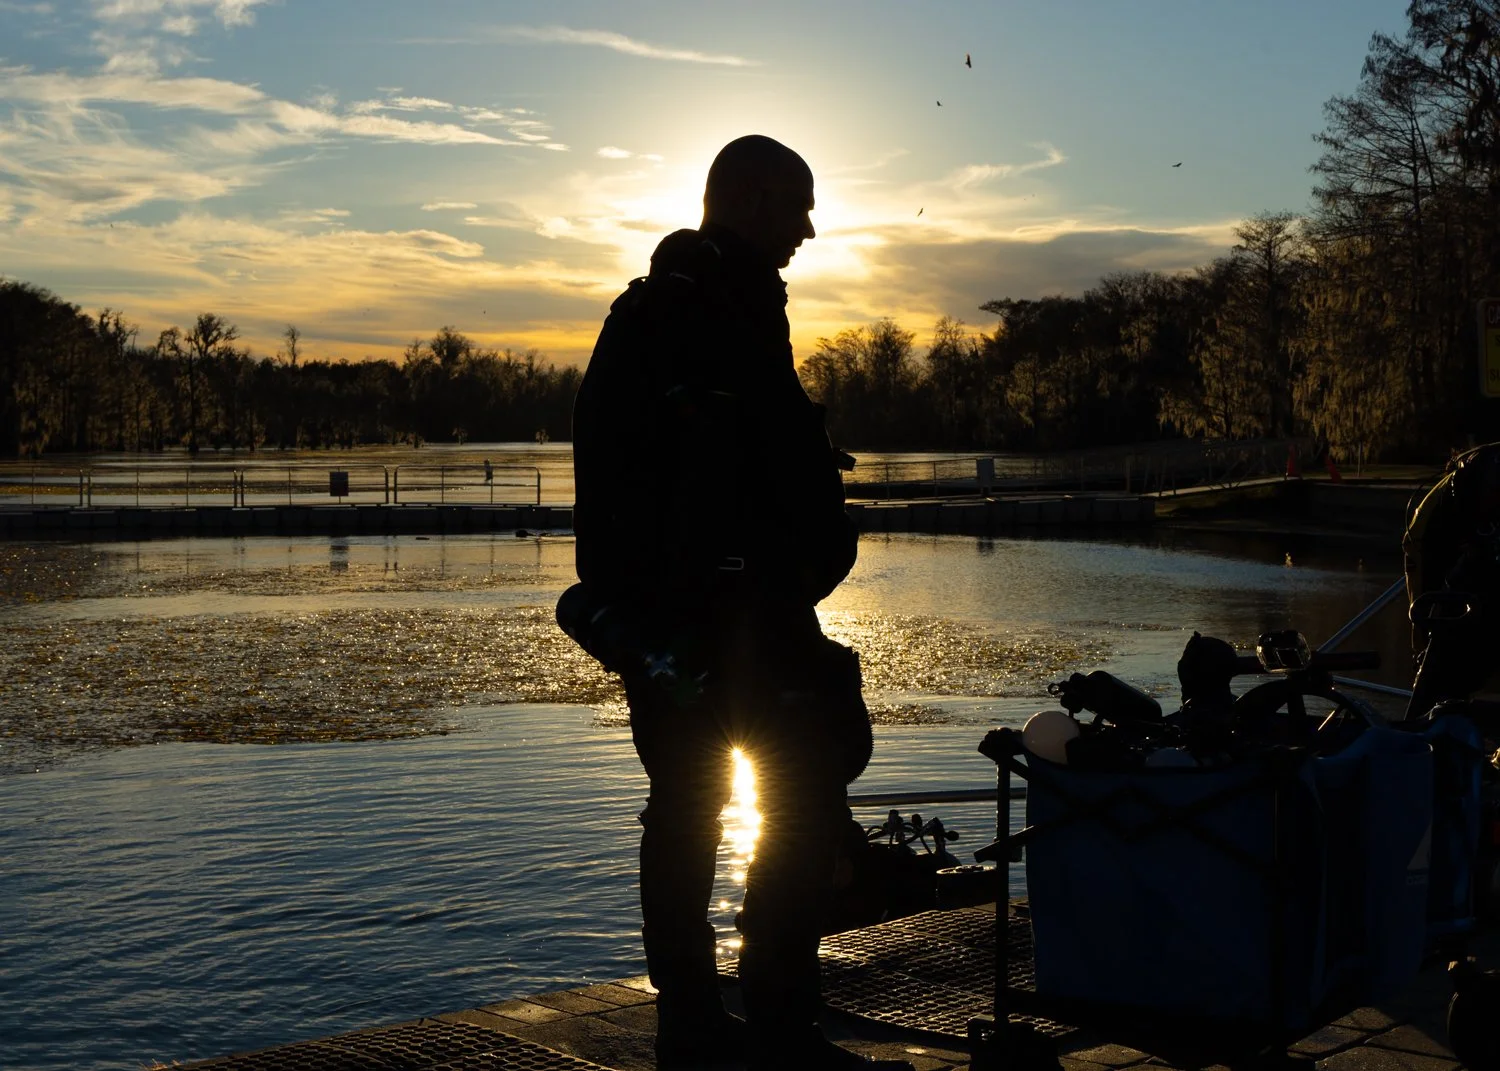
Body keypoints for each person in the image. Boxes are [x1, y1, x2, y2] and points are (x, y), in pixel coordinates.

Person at [568, 135, 913, 1070]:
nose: (809, 227)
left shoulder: (708, 313)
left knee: (696, 805)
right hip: (716, 622)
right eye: (797, 205)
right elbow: (677, 476)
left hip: (708, 617)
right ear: (750, 201)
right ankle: (765, 1024)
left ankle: (709, 1023)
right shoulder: (695, 316)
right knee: (767, 802)